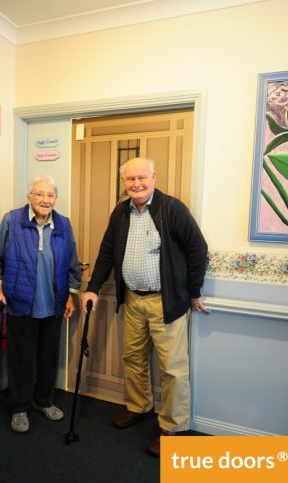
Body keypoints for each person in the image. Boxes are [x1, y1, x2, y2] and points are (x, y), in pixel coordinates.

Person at [79, 157, 207, 456]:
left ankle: (172, 427)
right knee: (133, 357)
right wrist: (93, 288)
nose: (136, 183)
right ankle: (139, 406)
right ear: (124, 182)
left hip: (167, 301)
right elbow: (107, 251)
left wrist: (194, 291)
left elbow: (197, 249)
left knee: (173, 368)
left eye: (142, 178)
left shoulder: (171, 208)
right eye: (130, 179)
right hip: (134, 300)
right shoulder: (121, 211)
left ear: (154, 177)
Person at [0, 175, 81, 433]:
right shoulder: (12, 220)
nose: (45, 200)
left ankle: (43, 401)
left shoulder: (63, 224)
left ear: (55, 199)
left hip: (54, 303)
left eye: (50, 195)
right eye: (39, 194)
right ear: (30, 196)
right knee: (21, 357)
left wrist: (71, 296)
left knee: (49, 356)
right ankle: (19, 408)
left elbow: (73, 263)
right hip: (21, 301)